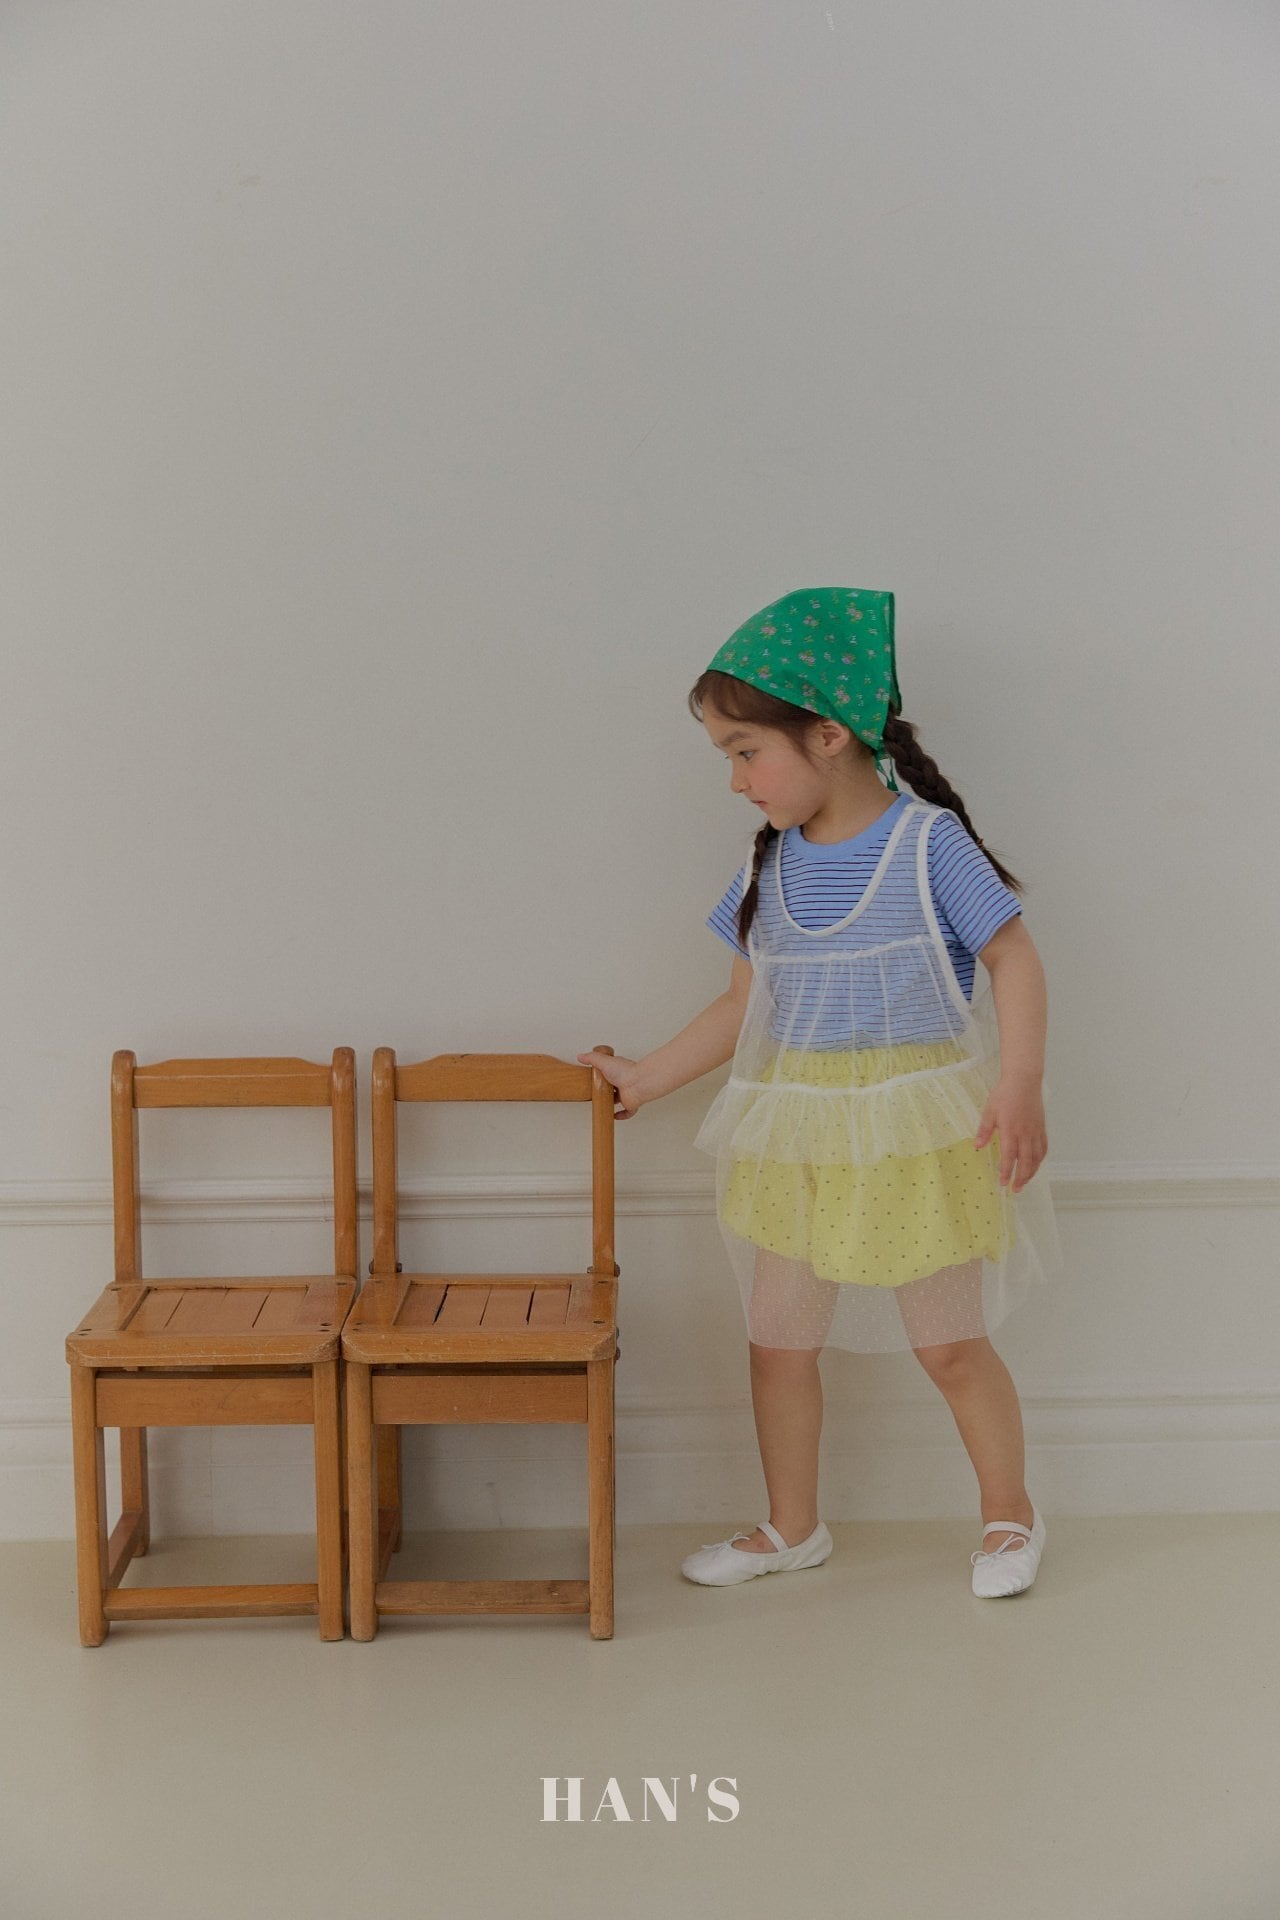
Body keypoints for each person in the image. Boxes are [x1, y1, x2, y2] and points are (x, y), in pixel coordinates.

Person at [578, 587, 1064, 1598]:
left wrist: (1020, 1082)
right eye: (726, 756)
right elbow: (741, 1002)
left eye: (745, 751)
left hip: (912, 1132)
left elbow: (1011, 958)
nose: (735, 780)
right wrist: (646, 1077)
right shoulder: (770, 862)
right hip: (798, 1134)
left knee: (949, 1346)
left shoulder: (927, 843)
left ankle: (1009, 1516)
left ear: (830, 735)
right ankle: (791, 1527)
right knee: (776, 1344)